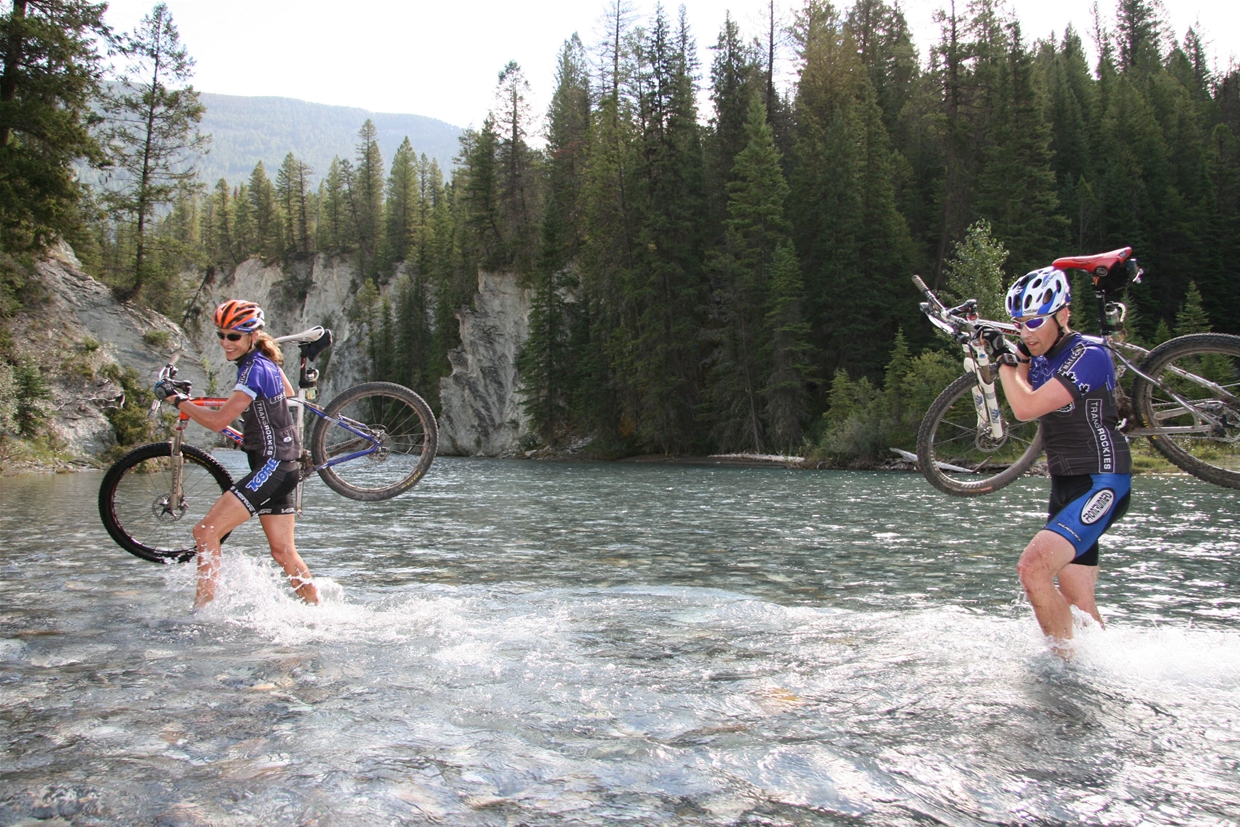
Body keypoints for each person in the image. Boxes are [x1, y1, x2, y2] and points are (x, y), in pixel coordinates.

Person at [984, 267, 1131, 654]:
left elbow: (1026, 407)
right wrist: (994, 345)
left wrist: (1004, 363)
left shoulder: (1090, 355)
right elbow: (1015, 362)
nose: (1027, 333)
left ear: (1063, 315)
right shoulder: (1037, 350)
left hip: (1103, 482)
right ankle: (1103, 668)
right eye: (1019, 324)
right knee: (1079, 603)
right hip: (1065, 484)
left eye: (1035, 321)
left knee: (1032, 568)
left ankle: (1064, 669)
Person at [157, 299, 319, 610]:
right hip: (282, 465)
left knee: (205, 532)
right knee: (283, 553)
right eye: (221, 334)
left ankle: (201, 613)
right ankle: (319, 613)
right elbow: (284, 392)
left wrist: (178, 401)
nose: (225, 343)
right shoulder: (263, 363)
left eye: (233, 336)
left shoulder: (254, 368)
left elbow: (219, 422)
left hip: (273, 466)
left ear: (252, 337)